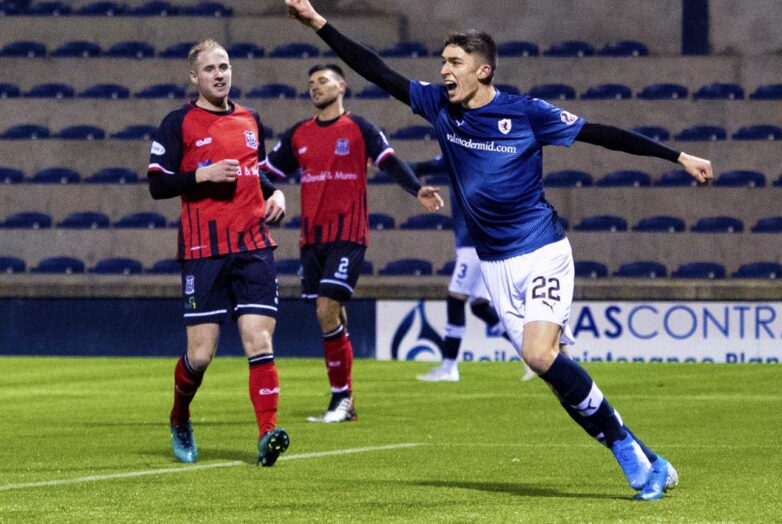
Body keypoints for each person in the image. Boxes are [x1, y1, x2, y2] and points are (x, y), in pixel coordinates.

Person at [282, 0, 715, 500]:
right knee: (556, 375)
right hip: (495, 265)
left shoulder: (527, 113)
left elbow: (601, 132)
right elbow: (377, 70)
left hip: (543, 250)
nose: (444, 71)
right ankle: (646, 454)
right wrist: (319, 24)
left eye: (455, 62)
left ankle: (628, 456)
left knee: (539, 355)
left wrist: (677, 157)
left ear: (482, 70)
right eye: (442, 62)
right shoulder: (439, 108)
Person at [264, 63, 443, 423]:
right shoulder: (299, 135)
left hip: (348, 234)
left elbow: (389, 162)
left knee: (326, 310)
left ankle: (340, 398)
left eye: (323, 81)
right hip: (311, 238)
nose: (315, 87)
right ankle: (346, 401)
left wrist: (416, 188)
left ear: (342, 85)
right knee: (331, 315)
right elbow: (263, 173)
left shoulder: (360, 129)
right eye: (311, 82)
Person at [148, 39, 290, 467]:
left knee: (259, 340)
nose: (219, 74)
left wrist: (276, 193)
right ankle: (179, 417)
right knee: (201, 355)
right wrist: (201, 174)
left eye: (224, 66)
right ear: (194, 77)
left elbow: (254, 173)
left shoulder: (251, 119)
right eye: (209, 69)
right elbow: (157, 184)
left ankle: (267, 433)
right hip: (203, 250)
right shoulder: (178, 123)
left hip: (253, 246)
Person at [410, 155, 536, 383]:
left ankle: (449, 367)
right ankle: (531, 354)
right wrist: (385, 165)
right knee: (479, 306)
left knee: (455, 299)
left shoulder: (476, 156)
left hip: (475, 243)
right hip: (477, 242)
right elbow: (422, 166)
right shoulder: (459, 153)